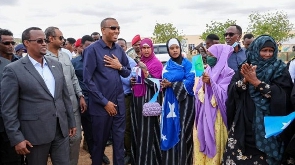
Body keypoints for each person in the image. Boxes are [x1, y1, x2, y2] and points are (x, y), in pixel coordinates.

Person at [1, 27, 76, 165]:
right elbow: (8, 109)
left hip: (60, 130)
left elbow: (64, 96)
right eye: (39, 40)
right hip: (34, 134)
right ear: (26, 43)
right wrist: (17, 137)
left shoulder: (56, 65)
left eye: (45, 40)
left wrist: (71, 121)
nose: (44, 44)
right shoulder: (13, 70)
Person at [223, 35, 295, 164]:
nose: (267, 54)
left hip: (269, 125)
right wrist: (245, 80)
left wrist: (257, 83)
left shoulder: (279, 69)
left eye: (270, 51)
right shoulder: (244, 67)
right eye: (264, 50)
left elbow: (284, 95)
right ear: (256, 49)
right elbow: (232, 90)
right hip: (243, 122)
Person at [83, 17, 131, 165]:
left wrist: (119, 67)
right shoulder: (92, 50)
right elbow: (87, 80)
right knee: (99, 144)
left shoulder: (118, 50)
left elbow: (127, 72)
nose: (116, 31)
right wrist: (104, 102)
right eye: (113, 28)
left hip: (119, 104)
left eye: (118, 28)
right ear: (103, 30)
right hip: (101, 107)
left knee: (118, 143)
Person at [45, 26, 87, 165]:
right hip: (55, 108)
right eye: (61, 37)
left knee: (75, 139)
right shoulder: (42, 56)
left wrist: (80, 96)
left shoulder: (65, 55)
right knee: (59, 140)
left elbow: (73, 77)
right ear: (51, 39)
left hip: (73, 104)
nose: (63, 40)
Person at [194, 44, 235, 164]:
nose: (209, 57)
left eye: (212, 55)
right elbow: (198, 91)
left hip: (217, 116)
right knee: (201, 140)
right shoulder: (207, 70)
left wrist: (211, 83)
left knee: (216, 143)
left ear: (220, 56)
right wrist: (205, 86)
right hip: (204, 113)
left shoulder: (229, 73)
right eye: (208, 55)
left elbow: (224, 95)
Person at [160, 38, 195, 165]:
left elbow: (191, 82)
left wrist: (172, 84)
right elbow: (163, 80)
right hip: (170, 102)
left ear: (180, 48)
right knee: (171, 128)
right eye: (172, 48)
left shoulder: (188, 64)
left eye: (177, 48)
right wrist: (165, 84)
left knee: (184, 131)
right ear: (168, 50)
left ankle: (185, 161)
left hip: (186, 103)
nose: (175, 50)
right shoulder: (166, 66)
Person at [130, 38, 163, 165]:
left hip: (149, 101)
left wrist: (145, 71)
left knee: (148, 131)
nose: (146, 50)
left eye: (148, 47)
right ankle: (138, 159)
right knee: (138, 129)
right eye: (143, 48)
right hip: (138, 100)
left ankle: (149, 160)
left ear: (152, 48)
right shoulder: (140, 62)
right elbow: (137, 81)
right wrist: (131, 82)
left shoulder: (156, 63)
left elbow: (156, 84)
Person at [117, 38, 137, 164]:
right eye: (117, 46)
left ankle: (129, 153)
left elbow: (132, 79)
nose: (120, 48)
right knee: (117, 127)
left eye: (122, 46)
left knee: (126, 127)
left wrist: (119, 70)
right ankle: (123, 150)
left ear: (125, 47)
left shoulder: (130, 61)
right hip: (112, 98)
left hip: (126, 97)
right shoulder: (108, 60)